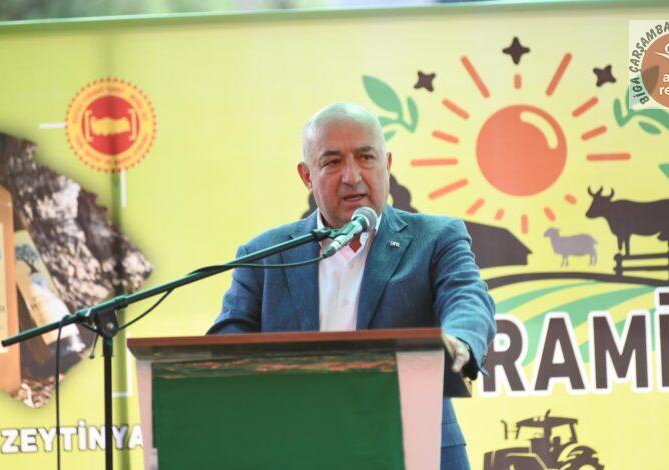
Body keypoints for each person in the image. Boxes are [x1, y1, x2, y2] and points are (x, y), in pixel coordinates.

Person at [208, 102, 495, 469]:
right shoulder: (264, 255)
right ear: (306, 176)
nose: (352, 176)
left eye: (365, 157)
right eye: (332, 162)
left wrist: (460, 340)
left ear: (387, 164)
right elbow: (227, 341)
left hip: (414, 451)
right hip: (297, 452)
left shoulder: (436, 237)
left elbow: (467, 297)